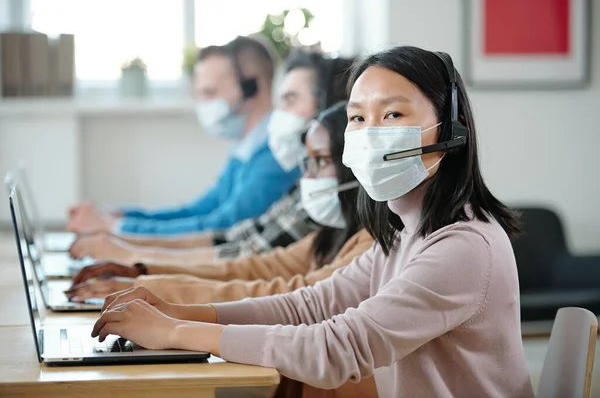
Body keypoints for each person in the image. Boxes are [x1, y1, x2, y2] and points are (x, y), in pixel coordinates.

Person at [90, 47, 535, 397]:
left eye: (393, 114)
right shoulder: (403, 235)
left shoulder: (463, 246)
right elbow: (308, 307)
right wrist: (178, 312)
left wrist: (176, 332)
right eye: (358, 117)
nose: (370, 132)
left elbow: (336, 348)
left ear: (449, 129)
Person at [66, 102, 377, 398]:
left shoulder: (374, 240)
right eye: (307, 163)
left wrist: (170, 315)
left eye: (320, 162)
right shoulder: (334, 229)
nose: (306, 178)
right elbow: (256, 268)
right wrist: (145, 273)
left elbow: (294, 296)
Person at [67, 52, 356, 265]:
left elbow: (226, 231)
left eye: (290, 100)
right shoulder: (262, 157)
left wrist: (127, 242)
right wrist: (123, 226)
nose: (202, 104)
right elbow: (221, 227)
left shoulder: (276, 162)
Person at [67, 35, 300, 236]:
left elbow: (222, 226)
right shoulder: (246, 147)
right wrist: (121, 215)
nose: (203, 104)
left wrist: (117, 228)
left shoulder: (276, 153)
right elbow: (200, 210)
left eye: (210, 92)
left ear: (251, 86)